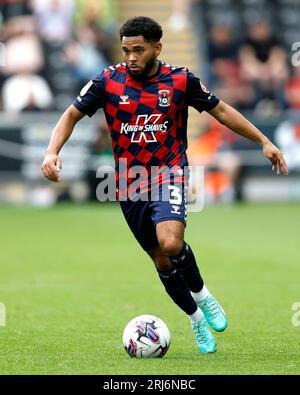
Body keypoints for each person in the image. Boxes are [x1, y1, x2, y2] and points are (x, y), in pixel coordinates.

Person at [42, 16, 289, 355]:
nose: (131, 57)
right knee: (159, 259)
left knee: (170, 242)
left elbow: (221, 111)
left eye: (139, 50)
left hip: (168, 172)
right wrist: (52, 151)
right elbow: (70, 114)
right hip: (129, 182)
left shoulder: (180, 80)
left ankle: (203, 294)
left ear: (157, 48)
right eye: (127, 50)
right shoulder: (107, 81)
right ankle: (196, 317)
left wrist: (263, 140)